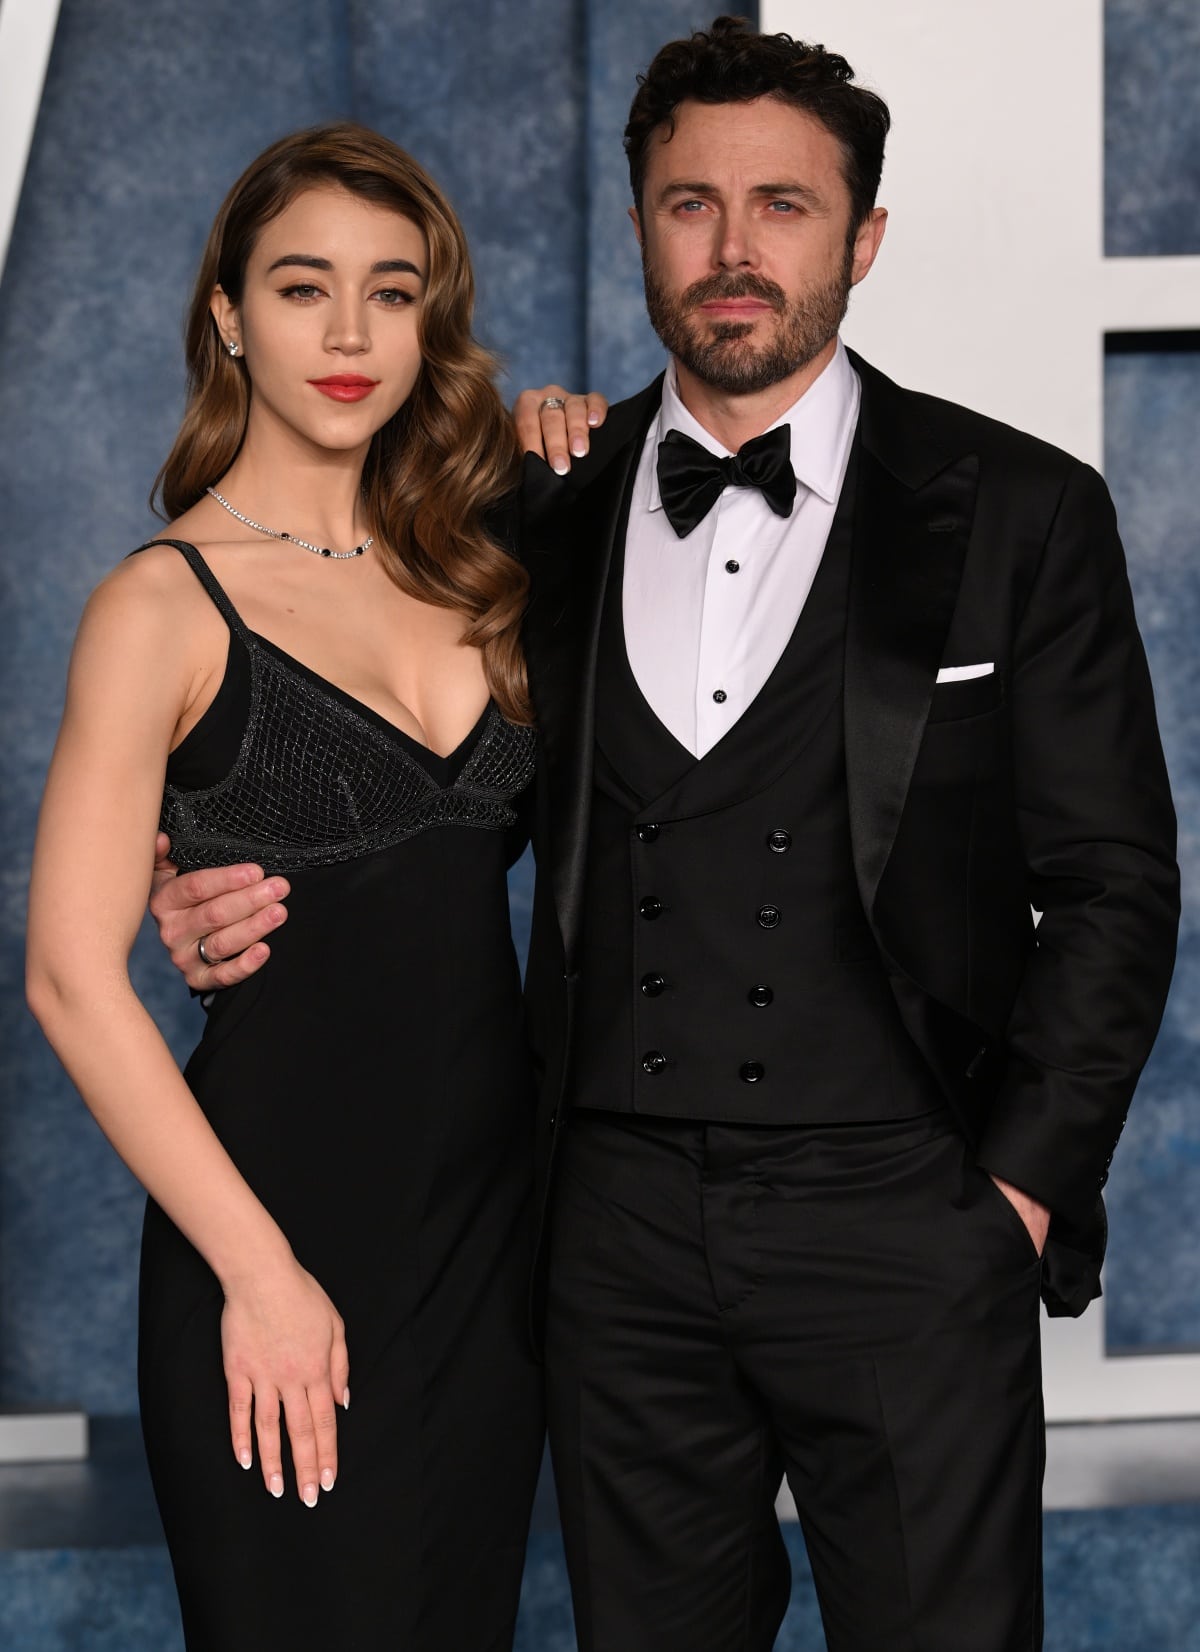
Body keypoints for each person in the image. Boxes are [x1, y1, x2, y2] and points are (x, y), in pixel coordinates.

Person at [145, 19, 1180, 1652]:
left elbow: (1115, 886)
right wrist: (201, 879)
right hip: (608, 1246)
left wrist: (1016, 1200)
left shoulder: (1020, 510)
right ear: (640, 227)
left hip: (905, 1227)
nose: (735, 246)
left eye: (784, 204)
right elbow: (410, 803)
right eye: (691, 203)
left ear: (865, 237)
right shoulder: (523, 512)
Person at [25, 122, 582, 1652]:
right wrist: (260, 1277)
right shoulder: (160, 604)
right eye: (300, 288)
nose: (348, 335)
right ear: (227, 314)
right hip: (271, 1238)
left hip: (491, 1255)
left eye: (391, 293)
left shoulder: (489, 574)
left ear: (430, 320)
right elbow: (71, 976)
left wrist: (572, 448)